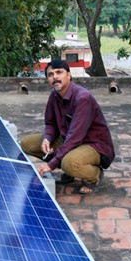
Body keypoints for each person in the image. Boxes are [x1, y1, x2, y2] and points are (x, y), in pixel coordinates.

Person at [20, 59, 115, 194]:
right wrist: (47, 138)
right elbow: (51, 123)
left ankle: (95, 175)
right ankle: (68, 168)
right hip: (68, 139)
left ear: (69, 75)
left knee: (69, 163)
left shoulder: (82, 98)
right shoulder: (54, 95)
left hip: (93, 144)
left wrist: (51, 165)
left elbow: (75, 137)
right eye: (50, 74)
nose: (55, 77)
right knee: (27, 143)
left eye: (59, 72)